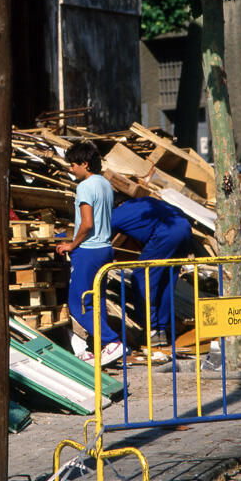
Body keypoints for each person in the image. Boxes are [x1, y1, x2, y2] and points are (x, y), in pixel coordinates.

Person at [56, 140, 123, 365]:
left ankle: (113, 342)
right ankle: (103, 347)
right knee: (97, 301)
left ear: (85, 164)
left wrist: (72, 245)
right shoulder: (105, 184)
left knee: (78, 304)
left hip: (88, 251)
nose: (71, 169)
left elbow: (86, 224)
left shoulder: (84, 187)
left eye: (73, 165)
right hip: (105, 249)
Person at [112, 196, 193, 345]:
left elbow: (100, 226)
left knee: (142, 276)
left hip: (167, 232)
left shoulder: (122, 209)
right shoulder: (146, 202)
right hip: (185, 229)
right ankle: (161, 330)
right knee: (166, 281)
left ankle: (151, 329)